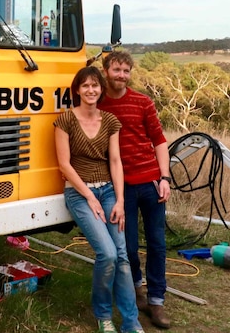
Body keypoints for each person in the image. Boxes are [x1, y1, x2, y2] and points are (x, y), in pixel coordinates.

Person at [54, 66, 145, 333]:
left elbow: (115, 162)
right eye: (85, 86)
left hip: (108, 191)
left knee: (123, 255)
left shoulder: (110, 122)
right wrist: (87, 196)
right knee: (106, 254)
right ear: (77, 91)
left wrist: (119, 201)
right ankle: (103, 315)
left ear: (101, 90)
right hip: (79, 193)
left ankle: (131, 321)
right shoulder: (65, 120)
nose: (91, 90)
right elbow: (64, 165)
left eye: (95, 85)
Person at [98, 50, 172, 330]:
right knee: (127, 246)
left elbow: (159, 141)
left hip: (151, 182)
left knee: (156, 243)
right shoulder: (99, 104)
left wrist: (164, 177)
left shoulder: (143, 102)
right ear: (106, 71)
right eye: (116, 70)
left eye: (126, 71)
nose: (122, 75)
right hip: (120, 187)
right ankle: (136, 288)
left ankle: (156, 301)